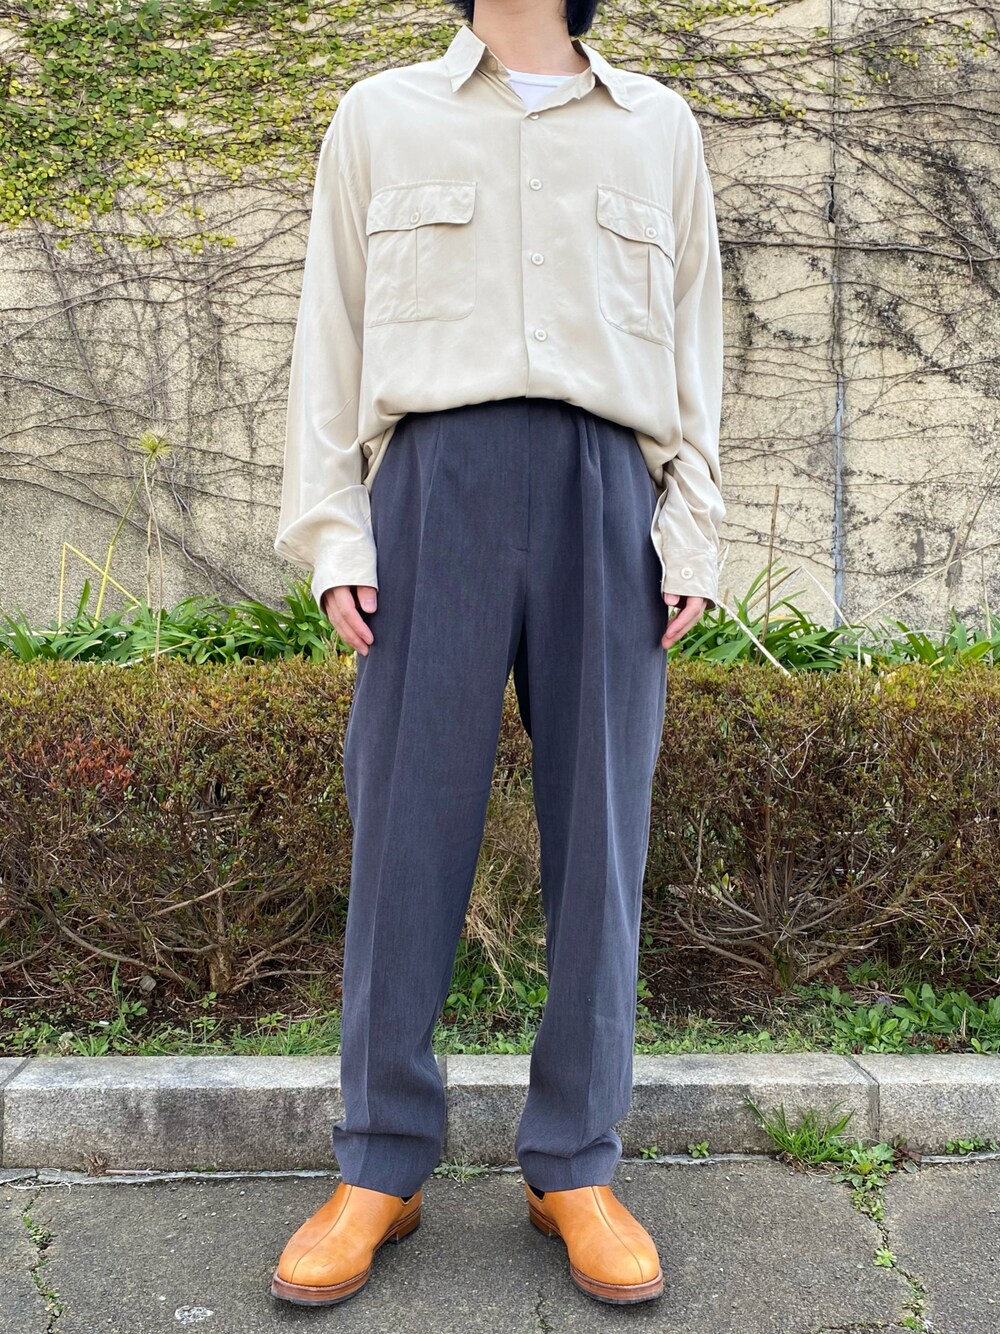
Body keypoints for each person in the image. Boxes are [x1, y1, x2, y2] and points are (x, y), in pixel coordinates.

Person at [270, 0, 725, 1309]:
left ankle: (574, 1163)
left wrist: (692, 529)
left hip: (606, 494)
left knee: (601, 839)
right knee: (404, 831)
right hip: (433, 487)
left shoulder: (658, 127)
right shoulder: (382, 116)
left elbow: (695, 340)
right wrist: (334, 530)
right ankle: (382, 1161)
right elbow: (329, 331)